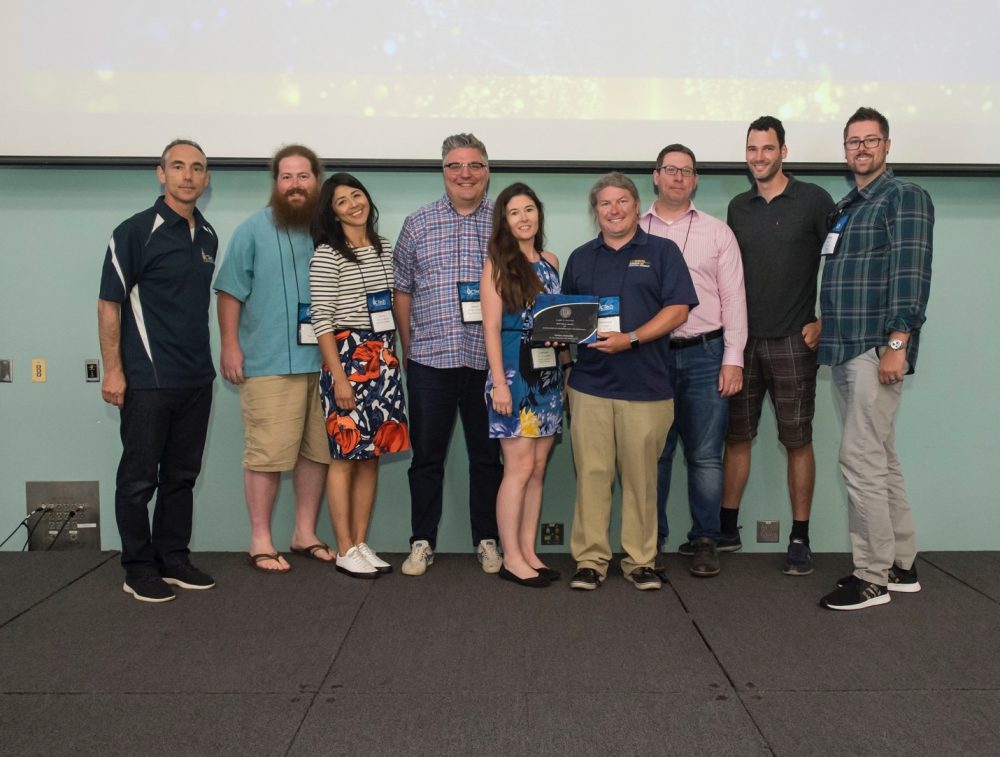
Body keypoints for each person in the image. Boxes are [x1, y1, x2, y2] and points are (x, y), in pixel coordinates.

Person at [818, 107, 934, 611]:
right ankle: (901, 564)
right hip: (843, 346)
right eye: (852, 141)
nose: (861, 148)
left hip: (874, 349)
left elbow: (910, 274)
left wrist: (896, 344)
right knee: (881, 459)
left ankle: (871, 578)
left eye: (870, 140)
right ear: (845, 150)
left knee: (860, 460)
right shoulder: (847, 205)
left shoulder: (904, 196)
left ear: (887, 146)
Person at [562, 172, 698, 591]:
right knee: (593, 475)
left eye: (622, 201)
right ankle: (590, 560)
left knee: (641, 479)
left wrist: (632, 339)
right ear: (595, 211)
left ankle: (640, 559)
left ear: (638, 206)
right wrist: (568, 370)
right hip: (590, 387)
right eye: (605, 203)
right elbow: (564, 321)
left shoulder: (662, 251)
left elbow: (678, 310)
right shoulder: (580, 258)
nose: (614, 210)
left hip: (646, 387)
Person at [97, 139, 218, 603]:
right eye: (179, 166)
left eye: (198, 168)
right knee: (138, 479)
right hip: (147, 381)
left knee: (181, 476)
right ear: (160, 173)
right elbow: (109, 305)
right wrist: (114, 370)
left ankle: (173, 558)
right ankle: (138, 566)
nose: (188, 175)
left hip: (196, 380)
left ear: (206, 179)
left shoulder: (207, 235)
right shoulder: (134, 232)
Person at [723, 117, 836, 576]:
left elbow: (840, 261)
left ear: (783, 151)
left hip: (795, 340)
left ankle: (799, 537)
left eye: (768, 149)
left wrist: (827, 319)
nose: (759, 157)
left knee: (798, 440)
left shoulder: (813, 200)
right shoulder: (737, 206)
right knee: (736, 437)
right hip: (743, 343)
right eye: (752, 149)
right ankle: (726, 530)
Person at [214, 145, 332, 574]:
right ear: (276, 183)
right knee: (266, 456)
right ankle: (260, 539)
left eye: (304, 176)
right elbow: (228, 291)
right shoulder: (252, 230)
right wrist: (230, 345)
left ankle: (304, 533)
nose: (296, 185)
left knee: (316, 454)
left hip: (324, 366)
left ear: (316, 181)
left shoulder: (329, 230)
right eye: (287, 177)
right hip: (269, 364)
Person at [393, 133, 504, 576]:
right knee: (426, 459)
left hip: (487, 362)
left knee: (487, 458)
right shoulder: (417, 222)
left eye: (474, 165)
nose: (465, 174)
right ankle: (422, 541)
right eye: (456, 166)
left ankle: (488, 540)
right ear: (443, 171)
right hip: (430, 360)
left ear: (487, 171)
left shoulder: (504, 221)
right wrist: (408, 348)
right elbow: (401, 289)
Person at [643, 144, 747, 579]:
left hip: (706, 353)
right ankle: (653, 541)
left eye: (686, 171)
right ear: (656, 176)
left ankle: (705, 539)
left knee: (705, 456)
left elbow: (734, 298)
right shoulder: (635, 229)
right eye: (670, 170)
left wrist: (733, 358)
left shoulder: (718, 232)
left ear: (696, 180)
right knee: (655, 454)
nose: (678, 177)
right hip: (650, 356)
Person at [310, 173, 410, 579]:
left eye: (357, 195)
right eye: (341, 202)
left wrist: (394, 359)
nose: (354, 205)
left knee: (372, 456)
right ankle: (344, 546)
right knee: (344, 457)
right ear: (332, 214)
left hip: (383, 357)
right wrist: (339, 378)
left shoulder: (385, 247)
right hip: (348, 360)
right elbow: (321, 321)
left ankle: (360, 542)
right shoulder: (327, 254)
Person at [481, 182, 565, 589]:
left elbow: (559, 321)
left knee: (537, 469)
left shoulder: (550, 261)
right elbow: (492, 328)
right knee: (516, 468)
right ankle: (511, 556)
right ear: (504, 220)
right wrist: (499, 382)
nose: (524, 217)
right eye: (514, 212)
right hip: (512, 377)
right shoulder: (497, 263)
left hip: (548, 377)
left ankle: (529, 550)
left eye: (529, 209)